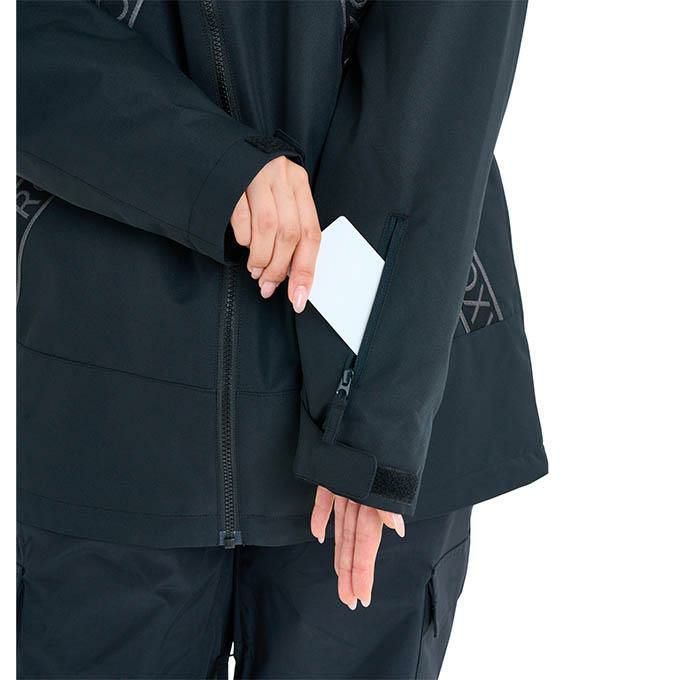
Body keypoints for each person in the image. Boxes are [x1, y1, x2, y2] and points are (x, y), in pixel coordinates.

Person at [16, 1, 547, 677]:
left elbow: (443, 81)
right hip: (106, 404)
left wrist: (376, 422)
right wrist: (210, 164)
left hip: (394, 368)